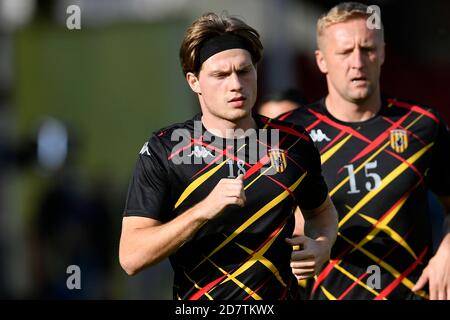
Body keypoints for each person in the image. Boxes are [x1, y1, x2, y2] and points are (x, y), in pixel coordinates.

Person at [119, 12, 338, 300]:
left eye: (244, 71)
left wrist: (322, 245)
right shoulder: (165, 150)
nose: (236, 84)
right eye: (220, 75)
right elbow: (132, 257)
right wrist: (202, 211)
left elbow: (322, 212)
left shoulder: (293, 143)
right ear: (194, 82)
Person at [283, 2, 450, 300]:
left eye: (368, 49)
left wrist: (447, 253)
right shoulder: (289, 134)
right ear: (321, 61)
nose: (357, 62)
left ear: (383, 53)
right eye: (345, 52)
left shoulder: (422, 125)